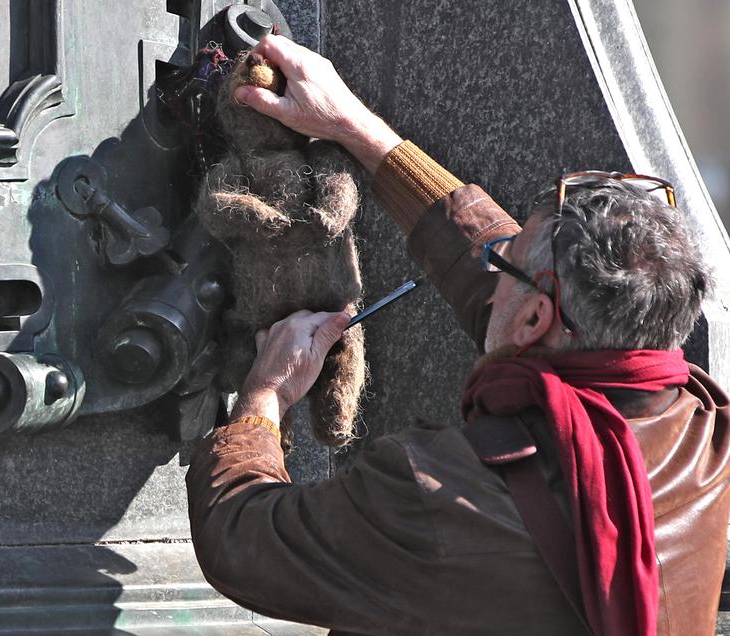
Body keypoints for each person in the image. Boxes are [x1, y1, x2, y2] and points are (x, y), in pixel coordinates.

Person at [185, 35, 730, 636]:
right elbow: (493, 275)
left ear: (533, 322)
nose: (490, 272)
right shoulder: (708, 434)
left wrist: (265, 397)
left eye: (507, 260)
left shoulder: (434, 494)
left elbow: (241, 534)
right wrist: (353, 127)